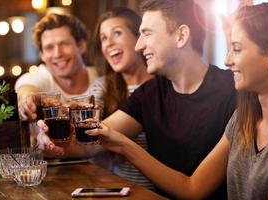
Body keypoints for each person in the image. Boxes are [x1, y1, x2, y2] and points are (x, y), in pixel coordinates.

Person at [87, 2, 268, 200]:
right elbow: (193, 188)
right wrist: (123, 145)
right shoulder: (242, 119)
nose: (227, 60)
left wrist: (124, 146)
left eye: (236, 49)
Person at [39, 0, 235, 198]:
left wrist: (125, 146)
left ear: (181, 36)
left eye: (147, 33)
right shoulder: (148, 94)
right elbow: (86, 146)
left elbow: (195, 191)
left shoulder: (233, 90)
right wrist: (51, 140)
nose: (139, 45)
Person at [37, 7, 154, 189]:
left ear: (139, 37)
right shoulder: (102, 86)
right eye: (103, 38)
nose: (108, 44)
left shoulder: (161, 86)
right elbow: (86, 141)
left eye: (117, 33)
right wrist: (48, 142)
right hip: (115, 189)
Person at [15, 13, 98, 121]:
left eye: (64, 44)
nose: (57, 54)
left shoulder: (101, 77)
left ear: (81, 46)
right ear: (42, 55)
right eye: (49, 47)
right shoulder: (35, 78)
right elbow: (26, 92)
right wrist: (30, 100)